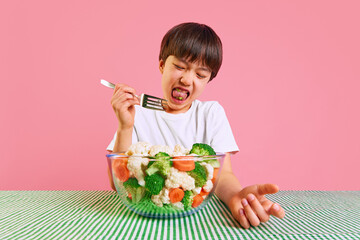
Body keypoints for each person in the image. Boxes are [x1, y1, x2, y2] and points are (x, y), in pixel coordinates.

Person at [107, 22, 285, 229]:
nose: (186, 79)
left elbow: (222, 175)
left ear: (209, 80)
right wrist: (125, 126)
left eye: (200, 75)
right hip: (142, 218)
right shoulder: (138, 113)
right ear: (162, 65)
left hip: (195, 217)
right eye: (180, 67)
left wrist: (236, 197)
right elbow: (118, 183)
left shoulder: (211, 114)